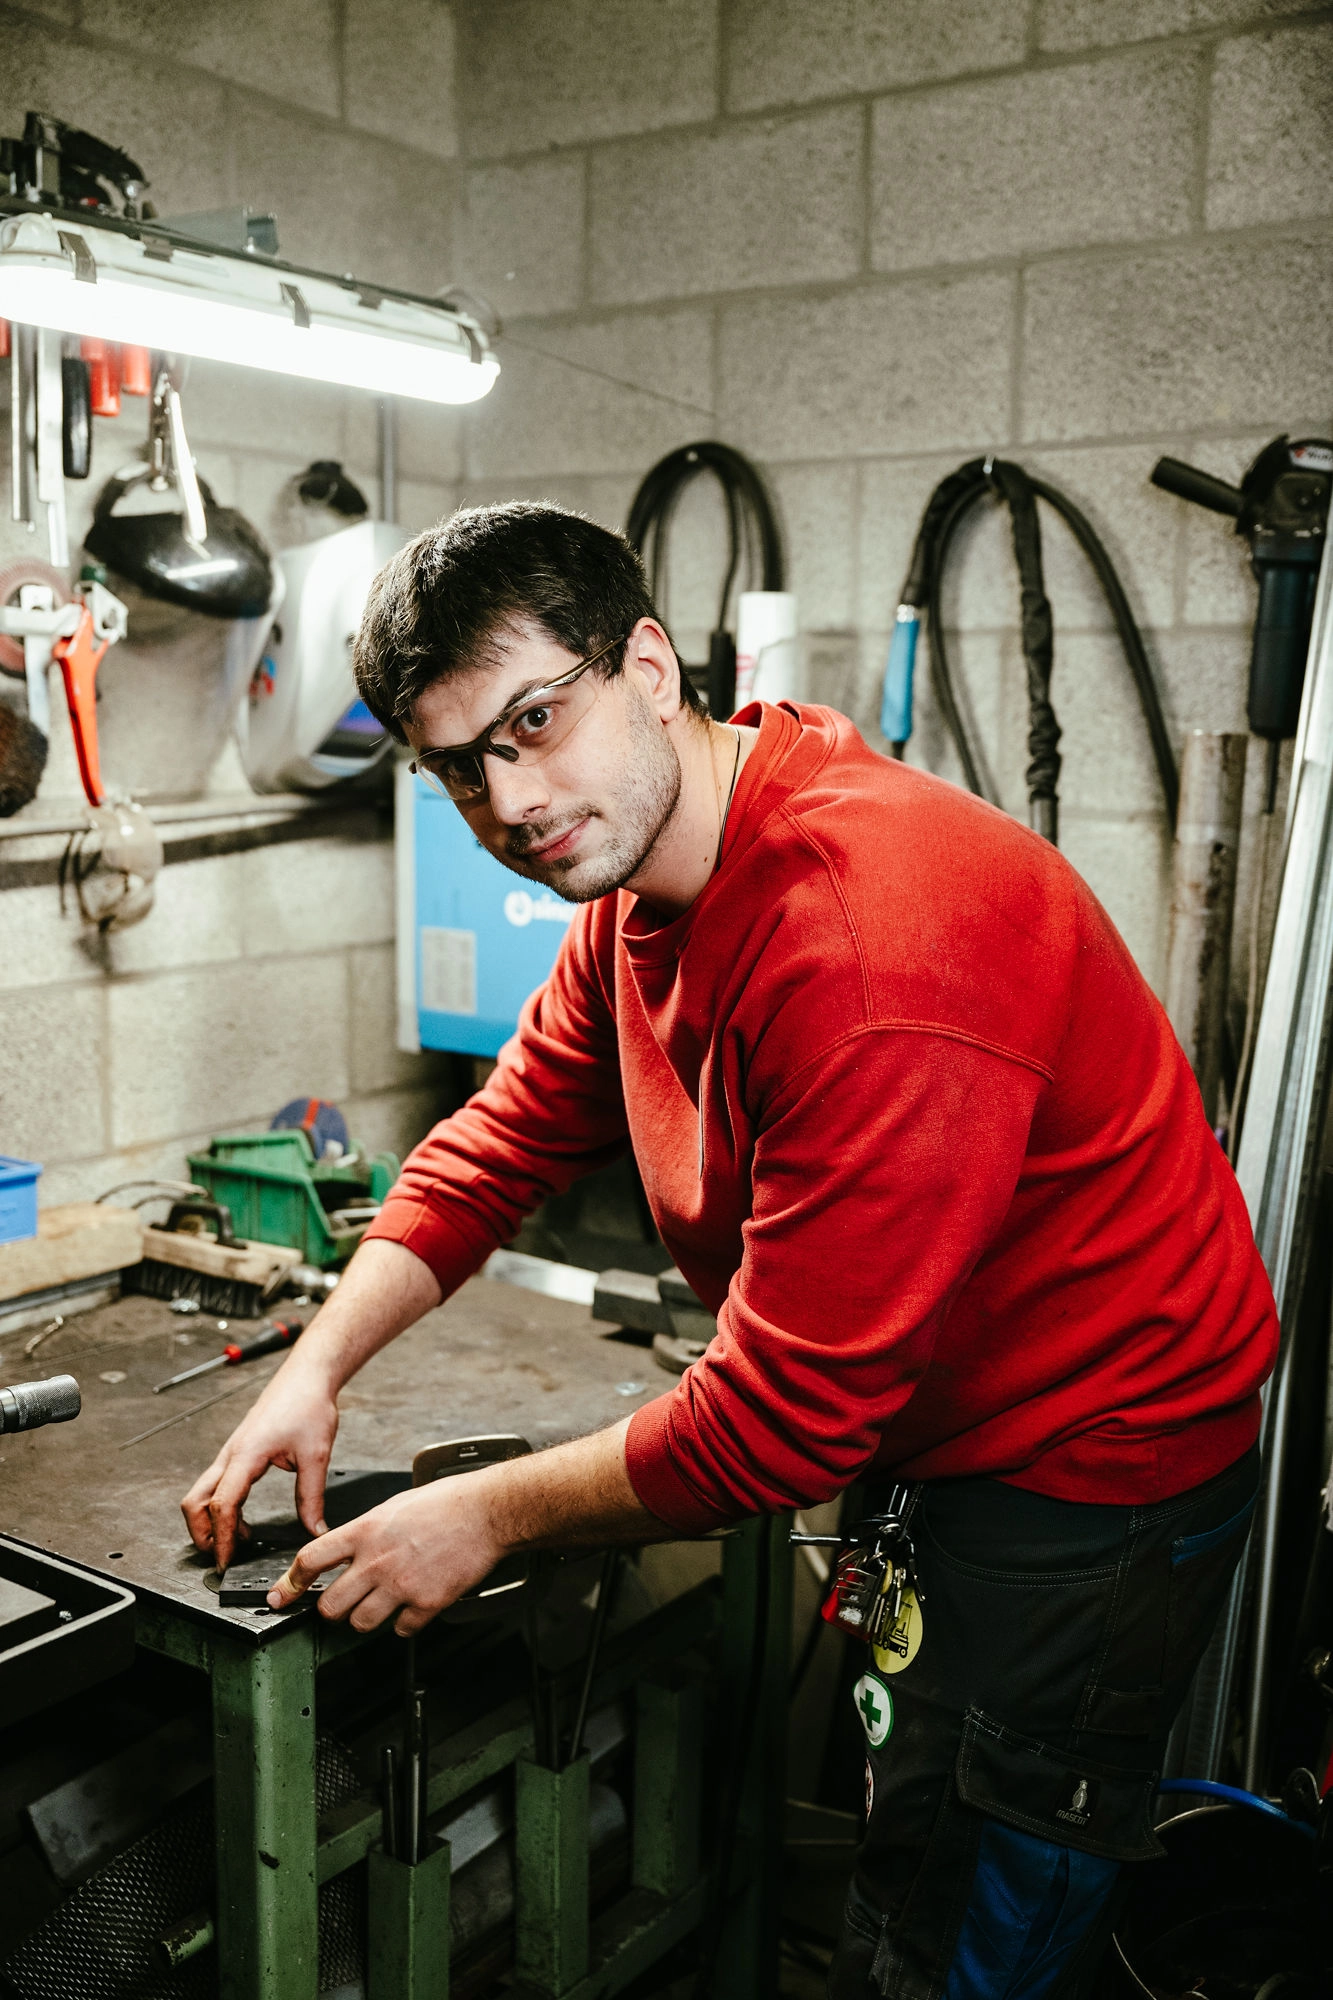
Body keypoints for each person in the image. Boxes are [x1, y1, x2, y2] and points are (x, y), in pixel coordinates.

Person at [182, 502, 1277, 1999]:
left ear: (644, 661)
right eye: (459, 766)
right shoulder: (649, 880)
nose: (510, 801)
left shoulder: (867, 941)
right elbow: (496, 1144)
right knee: (926, 1844)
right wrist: (308, 1372)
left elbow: (785, 1422)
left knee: (969, 1913)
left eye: (535, 721)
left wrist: (482, 1518)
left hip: (1100, 1464)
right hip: (950, 1423)